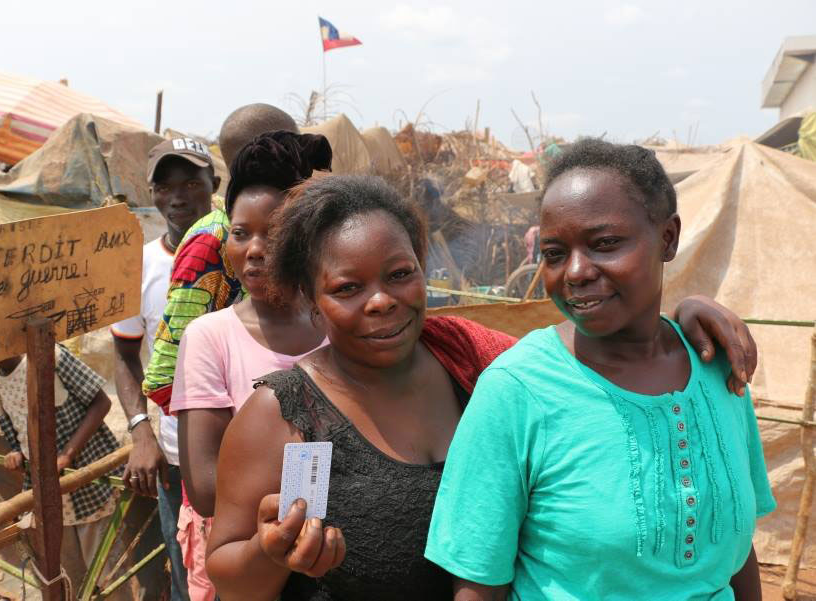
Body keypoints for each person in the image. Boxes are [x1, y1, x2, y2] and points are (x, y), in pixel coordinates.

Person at [205, 174, 759, 601]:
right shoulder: (283, 415)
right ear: (309, 296)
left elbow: (584, 360)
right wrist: (272, 552)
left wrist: (682, 317)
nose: (381, 301)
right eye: (348, 288)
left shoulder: (477, 366)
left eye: (399, 274)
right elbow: (229, 576)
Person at [425, 139, 774, 601]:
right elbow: (477, 585)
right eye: (553, 253)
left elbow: (735, 551)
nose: (575, 272)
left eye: (605, 244)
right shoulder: (517, 391)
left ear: (667, 238)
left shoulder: (717, 367)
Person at [170, 130, 331, 601]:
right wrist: (320, 477)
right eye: (241, 233)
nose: (254, 249)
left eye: (274, 232)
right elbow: (203, 486)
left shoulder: (336, 327)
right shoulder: (211, 337)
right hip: (254, 565)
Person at [111, 137, 219, 601]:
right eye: (165, 185)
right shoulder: (140, 267)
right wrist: (141, 433)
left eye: (192, 182)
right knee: (187, 574)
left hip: (246, 448)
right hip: (180, 457)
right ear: (151, 193)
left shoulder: (243, 254)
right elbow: (124, 354)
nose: (178, 196)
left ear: (214, 184)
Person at [142, 104, 300, 412]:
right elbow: (164, 375)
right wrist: (229, 428)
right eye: (294, 153)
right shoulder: (209, 241)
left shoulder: (302, 225)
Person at [0, 346, 130, 601]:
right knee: (66, 576)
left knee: (108, 575)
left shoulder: (50, 356)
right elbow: (13, 427)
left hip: (87, 484)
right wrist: (16, 453)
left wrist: (67, 456)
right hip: (47, 494)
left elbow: (101, 402)